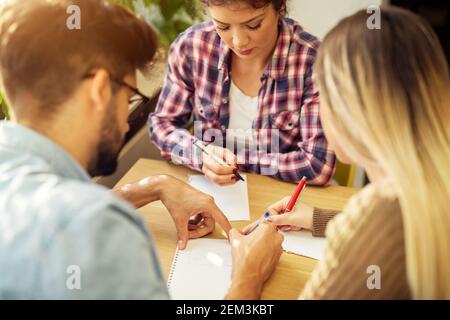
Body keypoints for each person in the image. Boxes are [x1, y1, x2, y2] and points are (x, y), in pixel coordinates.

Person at [0, 0, 282, 299]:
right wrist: (248, 277)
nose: (125, 123)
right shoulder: (100, 229)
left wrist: (153, 186)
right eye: (130, 97)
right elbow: (75, 221)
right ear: (98, 90)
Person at [243, 6, 450, 299]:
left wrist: (247, 275)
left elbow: (382, 228)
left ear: (349, 109)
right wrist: (321, 219)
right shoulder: (429, 186)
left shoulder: (379, 215)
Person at [149, 0, 336, 186]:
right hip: (212, 191)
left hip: (282, 197)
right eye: (223, 27)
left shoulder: (314, 61)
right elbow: (162, 124)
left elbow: (318, 165)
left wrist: (236, 162)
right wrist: (200, 154)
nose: (239, 42)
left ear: (279, 8)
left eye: (253, 25)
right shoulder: (192, 47)